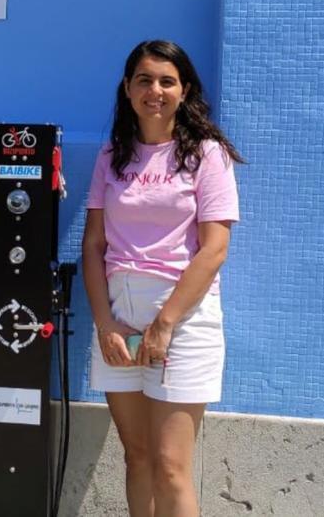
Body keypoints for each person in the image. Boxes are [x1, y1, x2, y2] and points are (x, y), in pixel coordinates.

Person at [83, 40, 244, 516]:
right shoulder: (112, 155)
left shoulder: (206, 156)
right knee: (138, 457)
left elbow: (214, 249)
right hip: (118, 313)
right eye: (144, 80)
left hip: (183, 317)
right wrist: (104, 324)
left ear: (184, 90)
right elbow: (93, 246)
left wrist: (166, 322)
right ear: (128, 90)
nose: (155, 90)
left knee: (171, 465)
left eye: (166, 81)